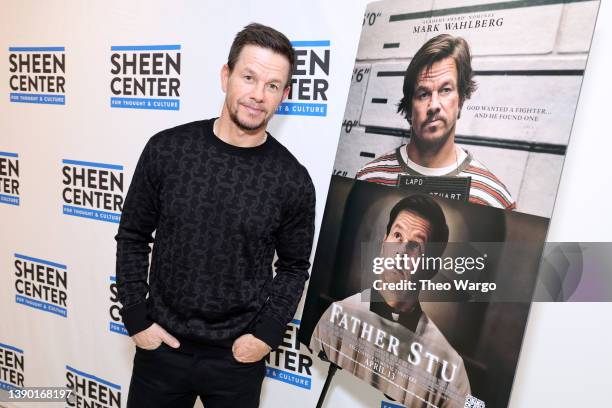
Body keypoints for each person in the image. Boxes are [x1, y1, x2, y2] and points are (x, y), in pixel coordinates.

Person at [115, 23, 316, 408]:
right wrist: (136, 318)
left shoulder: (292, 180)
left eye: (273, 85)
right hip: (162, 350)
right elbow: (133, 236)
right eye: (249, 77)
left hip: (236, 361)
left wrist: (267, 335)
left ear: (285, 96)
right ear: (226, 76)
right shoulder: (167, 150)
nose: (258, 95)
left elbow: (293, 268)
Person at [311, 195, 471, 407]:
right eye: (397, 236)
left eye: (415, 245)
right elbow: (313, 377)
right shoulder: (338, 314)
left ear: (431, 267)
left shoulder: (450, 365)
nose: (400, 252)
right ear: (383, 243)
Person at [356, 34, 515, 210]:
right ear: (409, 108)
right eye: (423, 94)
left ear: (461, 101)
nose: (433, 105)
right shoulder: (368, 178)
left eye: (445, 90)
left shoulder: (494, 198)